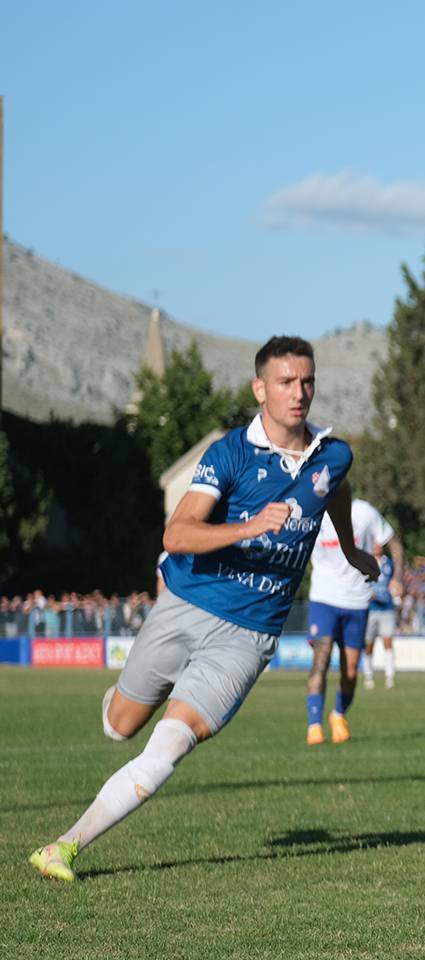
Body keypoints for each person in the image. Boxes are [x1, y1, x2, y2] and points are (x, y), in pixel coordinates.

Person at [28, 336, 377, 882]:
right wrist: (251, 525)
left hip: (250, 635)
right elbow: (178, 530)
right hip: (187, 605)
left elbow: (335, 489)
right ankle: (132, 691)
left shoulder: (333, 454)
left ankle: (63, 847)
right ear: (260, 388)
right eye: (286, 382)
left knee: (167, 749)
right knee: (121, 727)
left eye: (307, 381)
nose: (299, 392)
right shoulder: (230, 454)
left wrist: (351, 547)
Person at [304, 498, 398, 744]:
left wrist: (398, 576)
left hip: (357, 602)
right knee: (320, 662)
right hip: (323, 599)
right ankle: (314, 725)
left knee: (351, 670)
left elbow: (394, 542)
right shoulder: (312, 510)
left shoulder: (365, 512)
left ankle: (338, 715)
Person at [363, 540, 405, 690]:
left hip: (387, 608)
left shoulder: (389, 563)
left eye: (379, 544)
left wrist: (398, 588)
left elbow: (397, 581)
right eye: (374, 544)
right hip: (370, 609)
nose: (377, 547)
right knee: (368, 645)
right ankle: (368, 676)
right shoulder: (364, 561)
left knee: (388, 642)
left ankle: (390, 676)